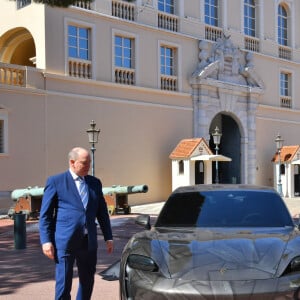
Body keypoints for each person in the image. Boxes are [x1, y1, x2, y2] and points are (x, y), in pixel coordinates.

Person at [39, 147, 113, 300]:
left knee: (87, 282)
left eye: (89, 163)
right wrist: (46, 241)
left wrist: (108, 237)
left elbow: (102, 212)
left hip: (88, 241)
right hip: (65, 241)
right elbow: (45, 215)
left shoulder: (95, 183)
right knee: (64, 284)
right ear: (72, 162)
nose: (88, 167)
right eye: (84, 163)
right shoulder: (56, 182)